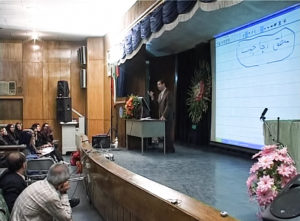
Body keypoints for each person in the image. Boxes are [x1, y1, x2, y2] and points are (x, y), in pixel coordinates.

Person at [148, 79, 175, 153]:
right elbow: (157, 105)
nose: (158, 86)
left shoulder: (168, 93)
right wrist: (152, 97)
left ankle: (170, 149)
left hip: (167, 117)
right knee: (164, 133)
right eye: (157, 84)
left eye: (159, 84)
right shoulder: (160, 94)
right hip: (161, 117)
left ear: (163, 84)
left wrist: (164, 115)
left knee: (167, 133)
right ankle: (166, 148)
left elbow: (168, 105)